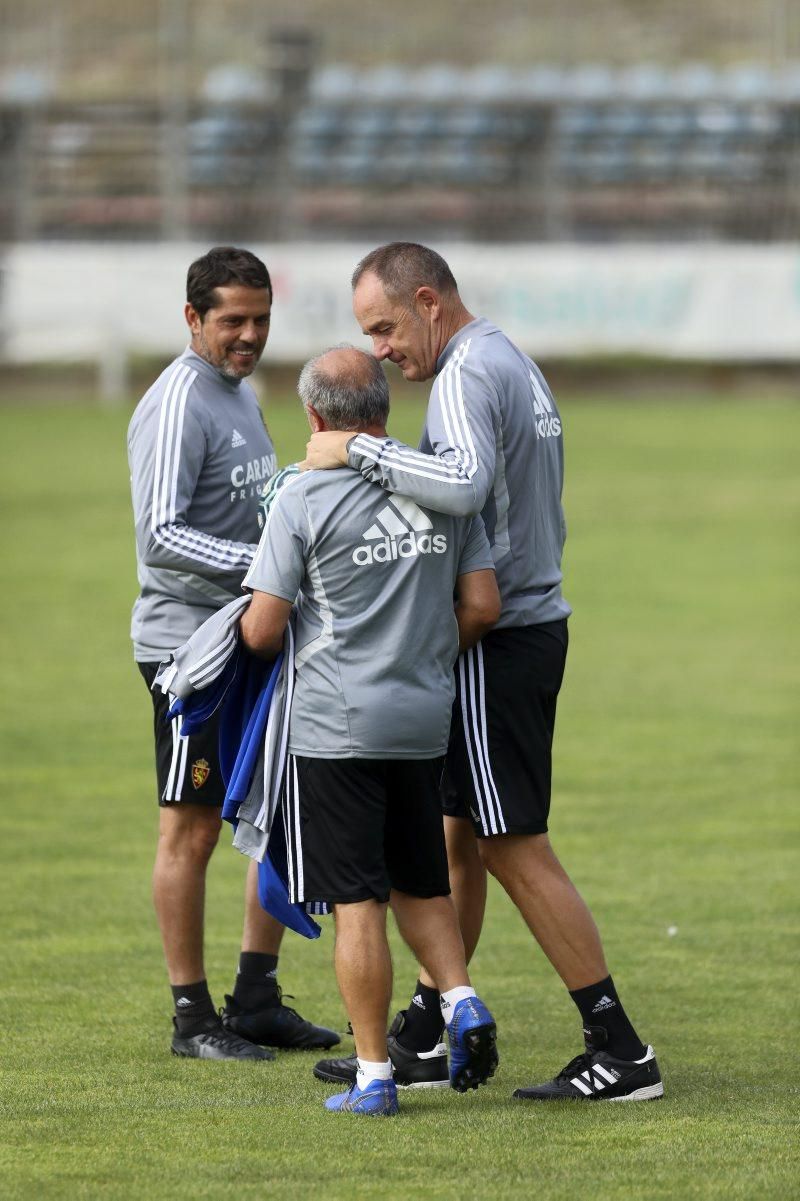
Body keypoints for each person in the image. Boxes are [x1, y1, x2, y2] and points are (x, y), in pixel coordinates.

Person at [306, 243, 663, 1103]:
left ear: (428, 302)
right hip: (532, 628)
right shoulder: (508, 357)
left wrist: (356, 452)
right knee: (457, 830)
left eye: (385, 328)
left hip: (502, 639)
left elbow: (463, 486)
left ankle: (619, 1046)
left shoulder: (467, 373)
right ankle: (430, 1025)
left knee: (509, 840)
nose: (381, 350)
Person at [239, 346, 502, 1115]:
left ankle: (374, 1076)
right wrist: (418, 652)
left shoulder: (303, 496)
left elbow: (262, 629)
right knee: (420, 880)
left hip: (337, 726)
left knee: (358, 904)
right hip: (423, 718)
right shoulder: (443, 494)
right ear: (383, 412)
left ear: (315, 419)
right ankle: (459, 998)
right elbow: (483, 605)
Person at [127, 245, 339, 1060]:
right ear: (192, 319)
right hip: (190, 653)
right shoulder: (180, 400)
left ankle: (255, 997)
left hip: (249, 633)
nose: (249, 336)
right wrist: (269, 568)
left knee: (266, 812)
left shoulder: (238, 389)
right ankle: (191, 1018)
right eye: (232, 322)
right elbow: (162, 533)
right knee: (190, 829)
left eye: (260, 320)